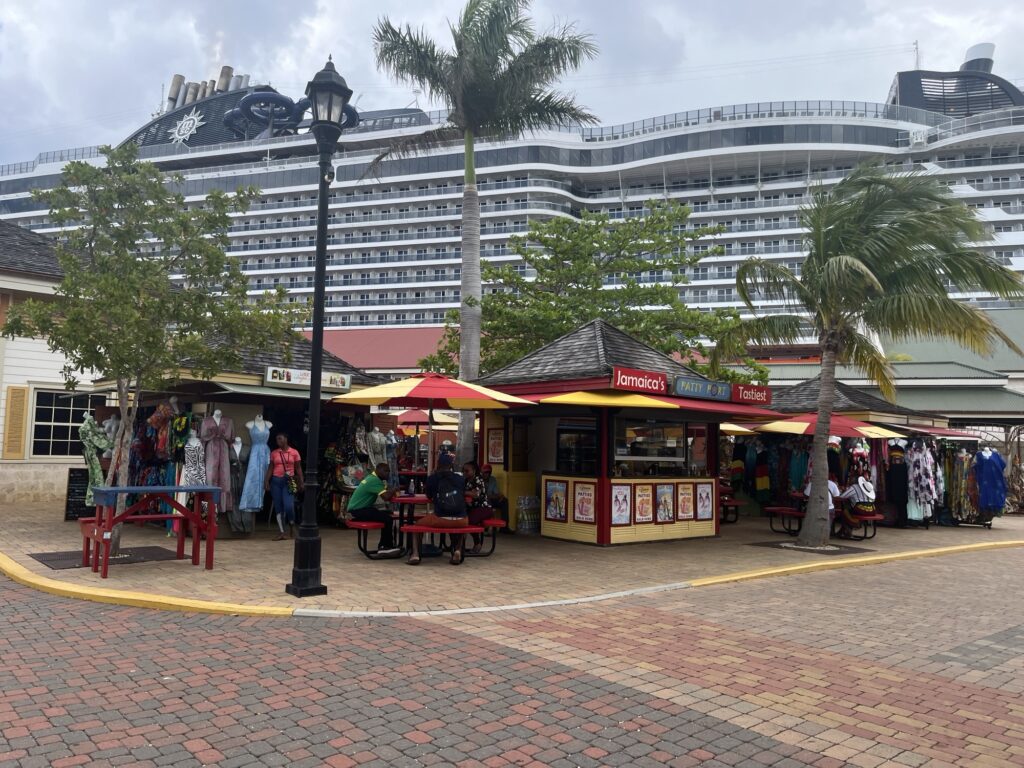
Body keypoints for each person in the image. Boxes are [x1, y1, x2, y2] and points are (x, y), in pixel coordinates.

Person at [408, 453, 467, 566]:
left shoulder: (432, 479)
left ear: (438, 464)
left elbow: (429, 496)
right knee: (461, 528)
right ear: (451, 465)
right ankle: (458, 550)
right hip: (462, 520)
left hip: (441, 518)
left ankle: (415, 554)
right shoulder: (460, 479)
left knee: (416, 527)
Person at [347, 462, 401, 556]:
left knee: (386, 514)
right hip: (359, 510)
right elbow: (386, 497)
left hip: (358, 509)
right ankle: (385, 547)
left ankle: (387, 545)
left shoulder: (371, 478)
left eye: (388, 471)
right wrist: (394, 489)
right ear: (378, 470)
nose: (388, 473)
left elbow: (384, 490)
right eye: (386, 471)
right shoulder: (374, 480)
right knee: (388, 519)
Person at [267, 433, 303, 541]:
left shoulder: (294, 452)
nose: (278, 440)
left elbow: (298, 468)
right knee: (278, 507)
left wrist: (301, 482)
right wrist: (266, 481)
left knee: (289, 505)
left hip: (290, 481)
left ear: (286, 439)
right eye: (277, 439)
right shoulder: (274, 453)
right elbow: (270, 468)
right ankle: (282, 532)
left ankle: (291, 523)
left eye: (280, 438)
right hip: (276, 481)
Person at [837, 472, 876, 539]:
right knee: (849, 508)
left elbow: (843, 497)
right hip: (872, 510)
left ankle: (848, 530)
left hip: (861, 510)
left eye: (851, 479)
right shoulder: (868, 487)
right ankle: (844, 530)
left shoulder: (854, 487)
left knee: (844, 511)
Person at [464, 461, 492, 554]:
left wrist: (462, 492)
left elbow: (475, 494)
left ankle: (477, 543)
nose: (464, 473)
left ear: (474, 470)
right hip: (472, 508)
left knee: (469, 521)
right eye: (463, 471)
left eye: (467, 471)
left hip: (483, 508)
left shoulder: (478, 480)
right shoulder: (466, 481)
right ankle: (459, 545)